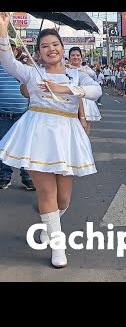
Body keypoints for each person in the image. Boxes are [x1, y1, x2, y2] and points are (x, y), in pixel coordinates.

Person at [0, 14, 102, 268]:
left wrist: (65, 89)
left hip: (66, 135)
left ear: (62, 48)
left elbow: (96, 91)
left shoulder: (77, 76)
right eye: (44, 46)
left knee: (63, 198)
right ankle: (58, 245)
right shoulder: (32, 73)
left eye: (54, 45)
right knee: (46, 191)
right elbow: (7, 61)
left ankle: (49, 225)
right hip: (37, 133)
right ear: (39, 52)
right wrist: (3, 31)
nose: (50, 49)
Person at [0, 38, 35, 191]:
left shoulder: (24, 68)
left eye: (10, 48)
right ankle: (4, 177)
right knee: (3, 148)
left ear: (15, 51)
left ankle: (27, 177)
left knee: (25, 148)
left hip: (24, 115)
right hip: (3, 116)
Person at [66, 47, 101, 135]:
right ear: (69, 57)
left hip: (85, 99)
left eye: (78, 55)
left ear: (81, 57)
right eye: (73, 55)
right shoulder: (65, 69)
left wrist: (75, 68)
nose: (75, 57)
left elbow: (92, 74)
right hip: (71, 99)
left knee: (85, 128)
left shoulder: (85, 68)